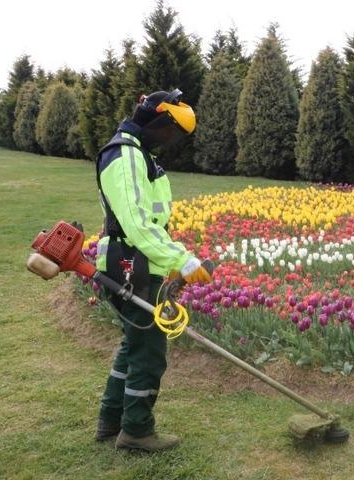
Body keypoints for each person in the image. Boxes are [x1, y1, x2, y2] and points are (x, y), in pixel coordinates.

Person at [92, 89, 212, 451]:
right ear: (157, 121)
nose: (171, 140)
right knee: (148, 351)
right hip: (131, 263)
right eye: (171, 131)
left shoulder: (136, 153)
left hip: (135, 261)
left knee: (133, 346)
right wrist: (182, 260)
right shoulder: (126, 156)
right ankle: (137, 431)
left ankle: (110, 420)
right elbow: (138, 225)